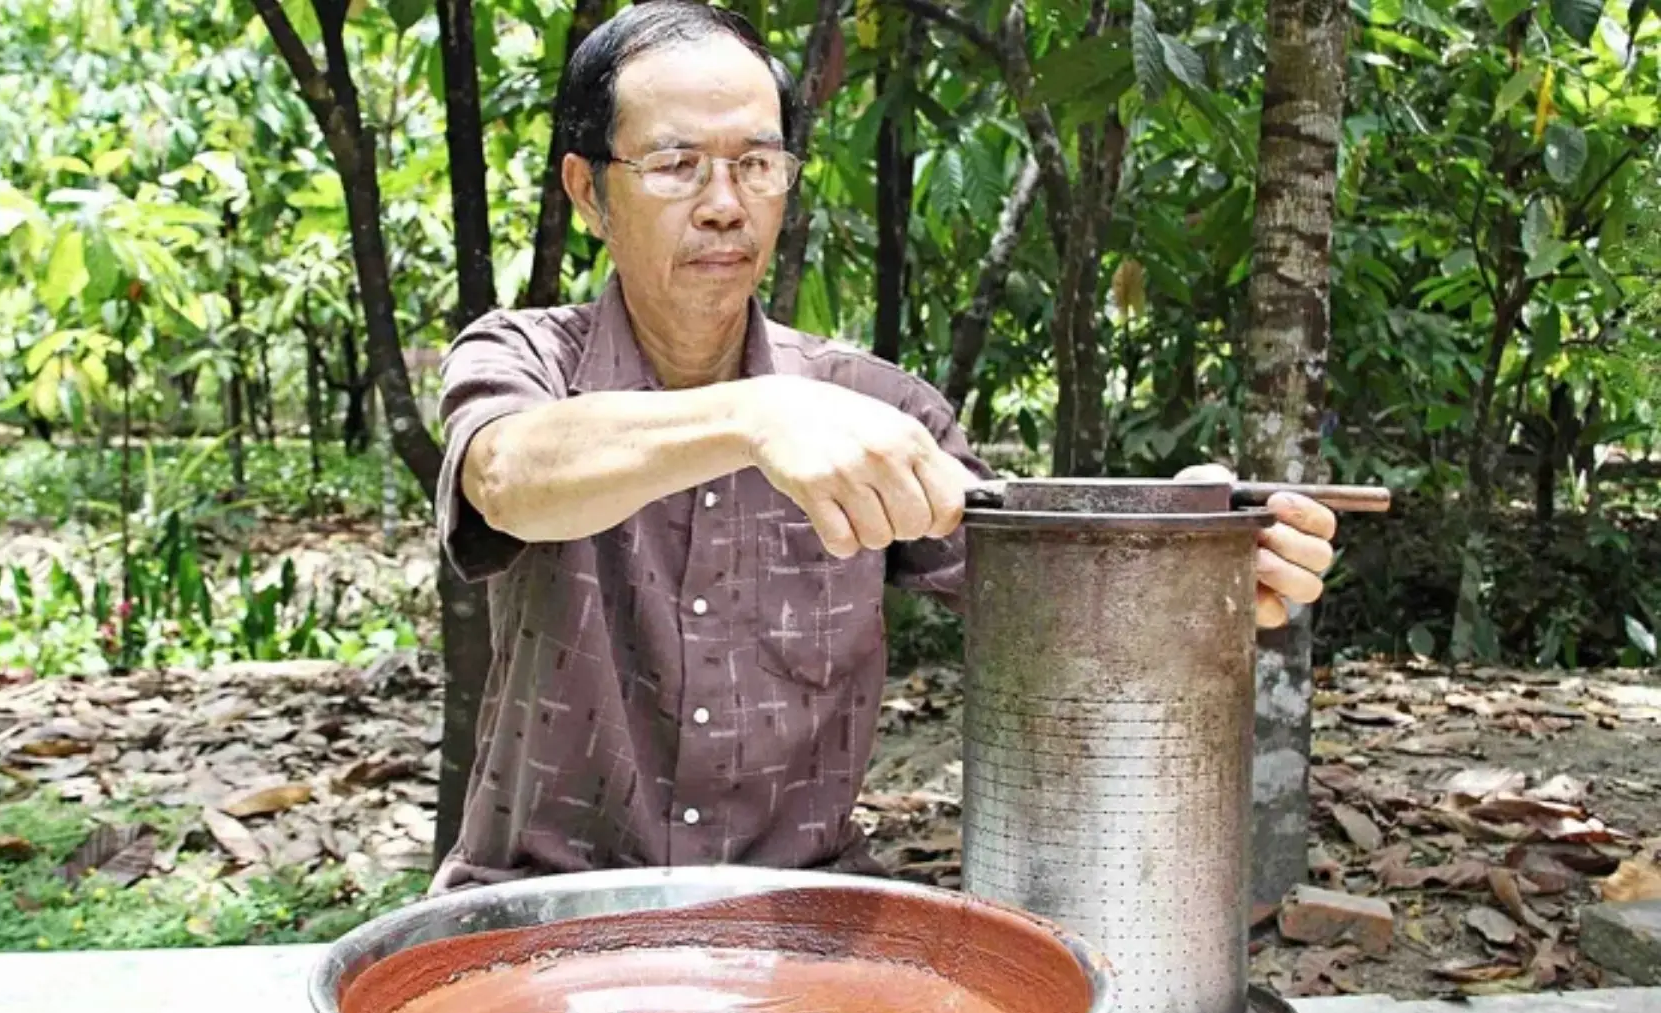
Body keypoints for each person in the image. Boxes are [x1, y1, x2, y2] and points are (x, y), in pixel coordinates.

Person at [427, 0, 1336, 893]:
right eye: (674, 165)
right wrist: (757, 419)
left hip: (801, 920)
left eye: (757, 164)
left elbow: (1046, 589)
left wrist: (1195, 559)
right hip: (538, 911)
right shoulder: (526, 359)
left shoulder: (873, 406)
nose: (723, 204)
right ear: (589, 192)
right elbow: (511, 476)